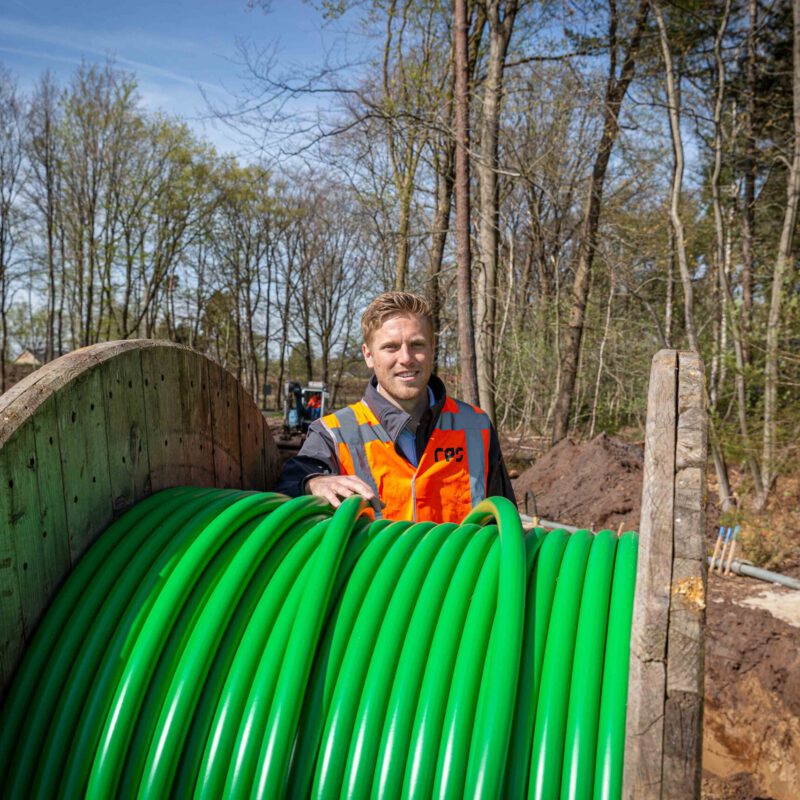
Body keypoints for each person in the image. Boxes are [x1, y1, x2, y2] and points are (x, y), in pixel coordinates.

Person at [276, 292, 515, 522]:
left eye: (417, 345)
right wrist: (312, 483)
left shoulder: (476, 426)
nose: (406, 358)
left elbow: (502, 521)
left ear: (432, 348)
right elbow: (288, 490)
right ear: (368, 355)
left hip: (465, 565)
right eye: (391, 347)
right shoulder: (332, 433)